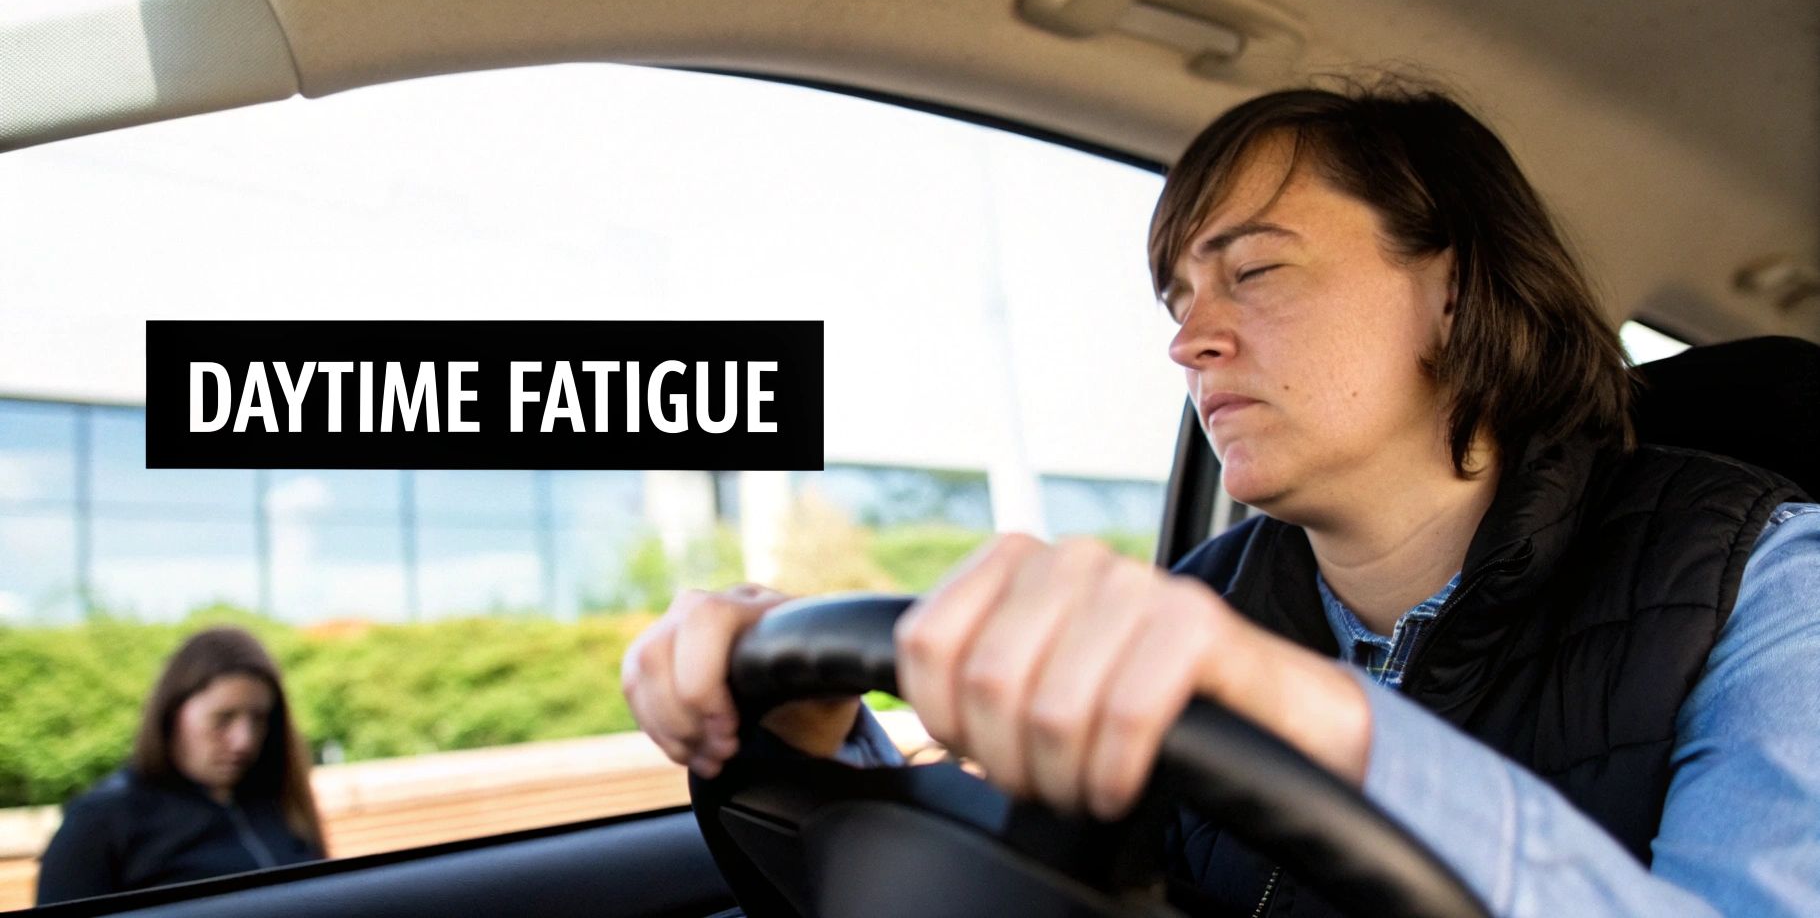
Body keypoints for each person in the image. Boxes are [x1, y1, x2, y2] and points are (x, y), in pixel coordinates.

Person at [621, 81, 1820, 916]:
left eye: (1252, 271)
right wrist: (816, 749)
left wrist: (1332, 729)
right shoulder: (1198, 602)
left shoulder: (1760, 580)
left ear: (1451, 291)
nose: (1188, 340)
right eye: (1176, 297)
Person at [35, 627, 326, 905]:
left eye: (259, 719)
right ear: (173, 714)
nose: (244, 741)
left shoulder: (280, 801)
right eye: (223, 718)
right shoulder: (101, 822)